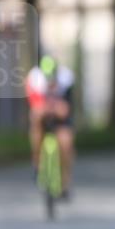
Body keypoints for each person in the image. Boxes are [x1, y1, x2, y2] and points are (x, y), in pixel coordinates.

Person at [26, 55, 75, 198]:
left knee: (66, 142)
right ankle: (37, 163)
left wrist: (59, 109)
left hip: (61, 120)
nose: (50, 83)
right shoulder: (34, 79)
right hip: (43, 115)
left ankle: (65, 182)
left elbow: (66, 108)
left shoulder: (66, 79)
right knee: (36, 118)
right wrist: (46, 109)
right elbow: (35, 107)